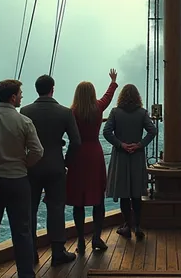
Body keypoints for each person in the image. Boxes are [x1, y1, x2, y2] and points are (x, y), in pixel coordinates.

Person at [0, 79, 43, 278]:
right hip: (17, 180)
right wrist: (24, 163)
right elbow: (37, 151)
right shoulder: (24, 121)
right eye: (20, 93)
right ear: (13, 97)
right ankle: (26, 274)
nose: (22, 96)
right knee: (22, 231)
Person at [21, 74, 80, 266]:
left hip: (32, 166)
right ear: (52, 89)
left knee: (30, 209)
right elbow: (76, 142)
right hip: (56, 166)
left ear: (37, 89)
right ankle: (57, 252)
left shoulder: (25, 110)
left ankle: (31, 253)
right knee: (56, 208)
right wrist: (66, 161)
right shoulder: (64, 112)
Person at [66, 69, 119, 253]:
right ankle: (96, 238)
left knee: (78, 201)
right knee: (98, 198)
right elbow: (108, 96)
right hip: (95, 154)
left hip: (78, 156)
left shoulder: (71, 112)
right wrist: (113, 81)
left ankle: (80, 240)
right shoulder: (98, 107)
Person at [103, 84, 157, 239]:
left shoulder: (115, 112)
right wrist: (140, 144)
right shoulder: (142, 113)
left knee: (124, 193)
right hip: (137, 156)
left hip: (121, 155)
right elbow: (152, 130)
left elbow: (106, 132)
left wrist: (121, 144)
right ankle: (138, 226)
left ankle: (127, 225)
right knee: (136, 193)